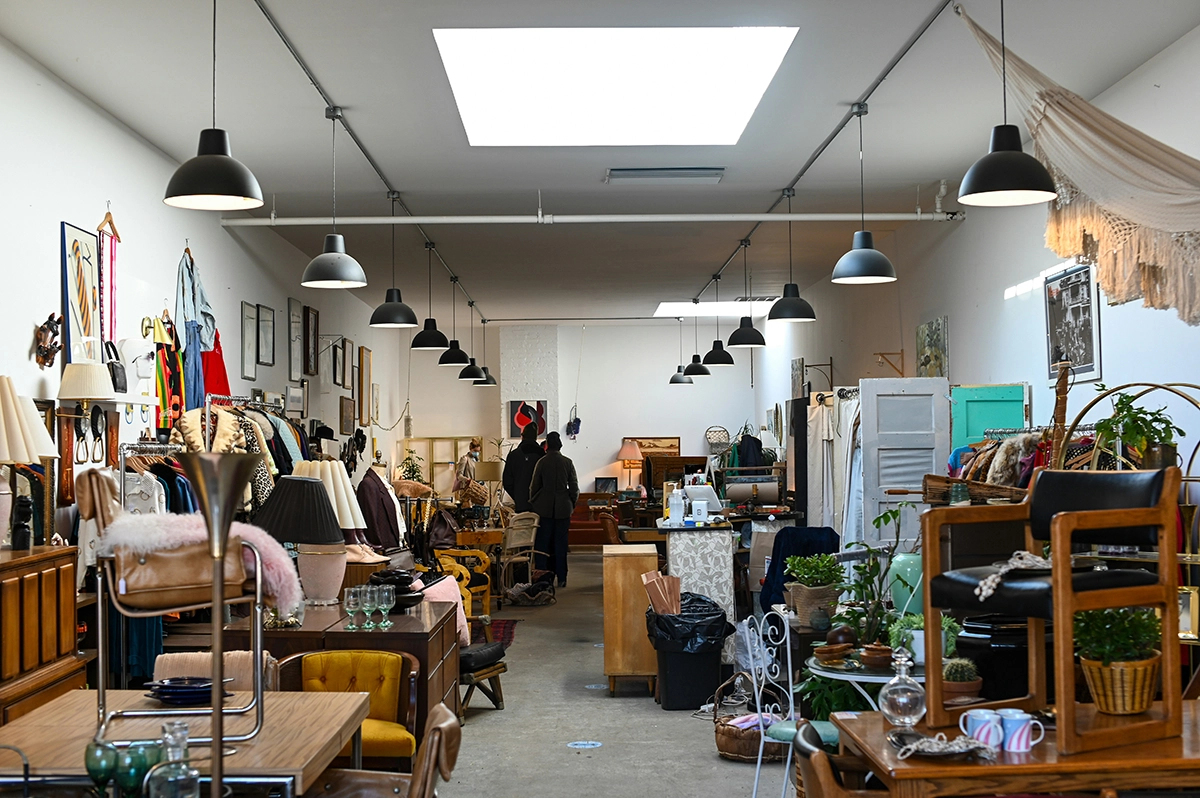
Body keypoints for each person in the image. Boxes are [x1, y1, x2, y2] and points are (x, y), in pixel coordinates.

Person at [528, 431, 579, 587]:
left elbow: (534, 486)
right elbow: (574, 487)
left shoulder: (541, 463)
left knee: (542, 544)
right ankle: (562, 577)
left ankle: (543, 578)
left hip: (544, 508)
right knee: (561, 544)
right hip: (563, 508)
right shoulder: (567, 462)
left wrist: (535, 501)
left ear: (547, 445)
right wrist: (571, 503)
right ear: (560, 445)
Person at [502, 423, 544, 513]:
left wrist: (518, 496)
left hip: (521, 504)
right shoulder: (542, 456)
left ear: (523, 436)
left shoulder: (514, 455)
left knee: (522, 522)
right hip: (540, 505)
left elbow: (507, 482)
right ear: (536, 437)